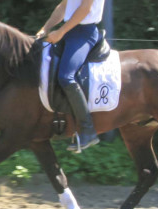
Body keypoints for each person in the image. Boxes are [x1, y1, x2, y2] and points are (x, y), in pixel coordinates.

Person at [37, 0, 105, 151]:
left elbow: (85, 9)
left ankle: (88, 130)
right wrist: (45, 28)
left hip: (83, 34)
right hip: (69, 32)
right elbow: (63, 6)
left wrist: (61, 32)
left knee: (66, 77)